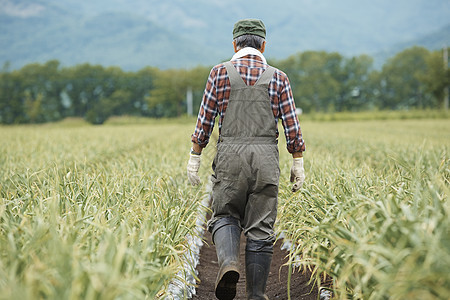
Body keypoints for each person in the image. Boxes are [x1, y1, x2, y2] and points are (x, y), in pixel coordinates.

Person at [186, 18, 306, 300]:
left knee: (225, 214)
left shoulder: (219, 73)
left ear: (234, 44)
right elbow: (292, 127)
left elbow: (204, 122)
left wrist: (195, 157)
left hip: (230, 157)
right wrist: (297, 163)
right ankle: (256, 294)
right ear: (263, 45)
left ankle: (228, 263)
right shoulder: (279, 77)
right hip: (265, 158)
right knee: (261, 226)